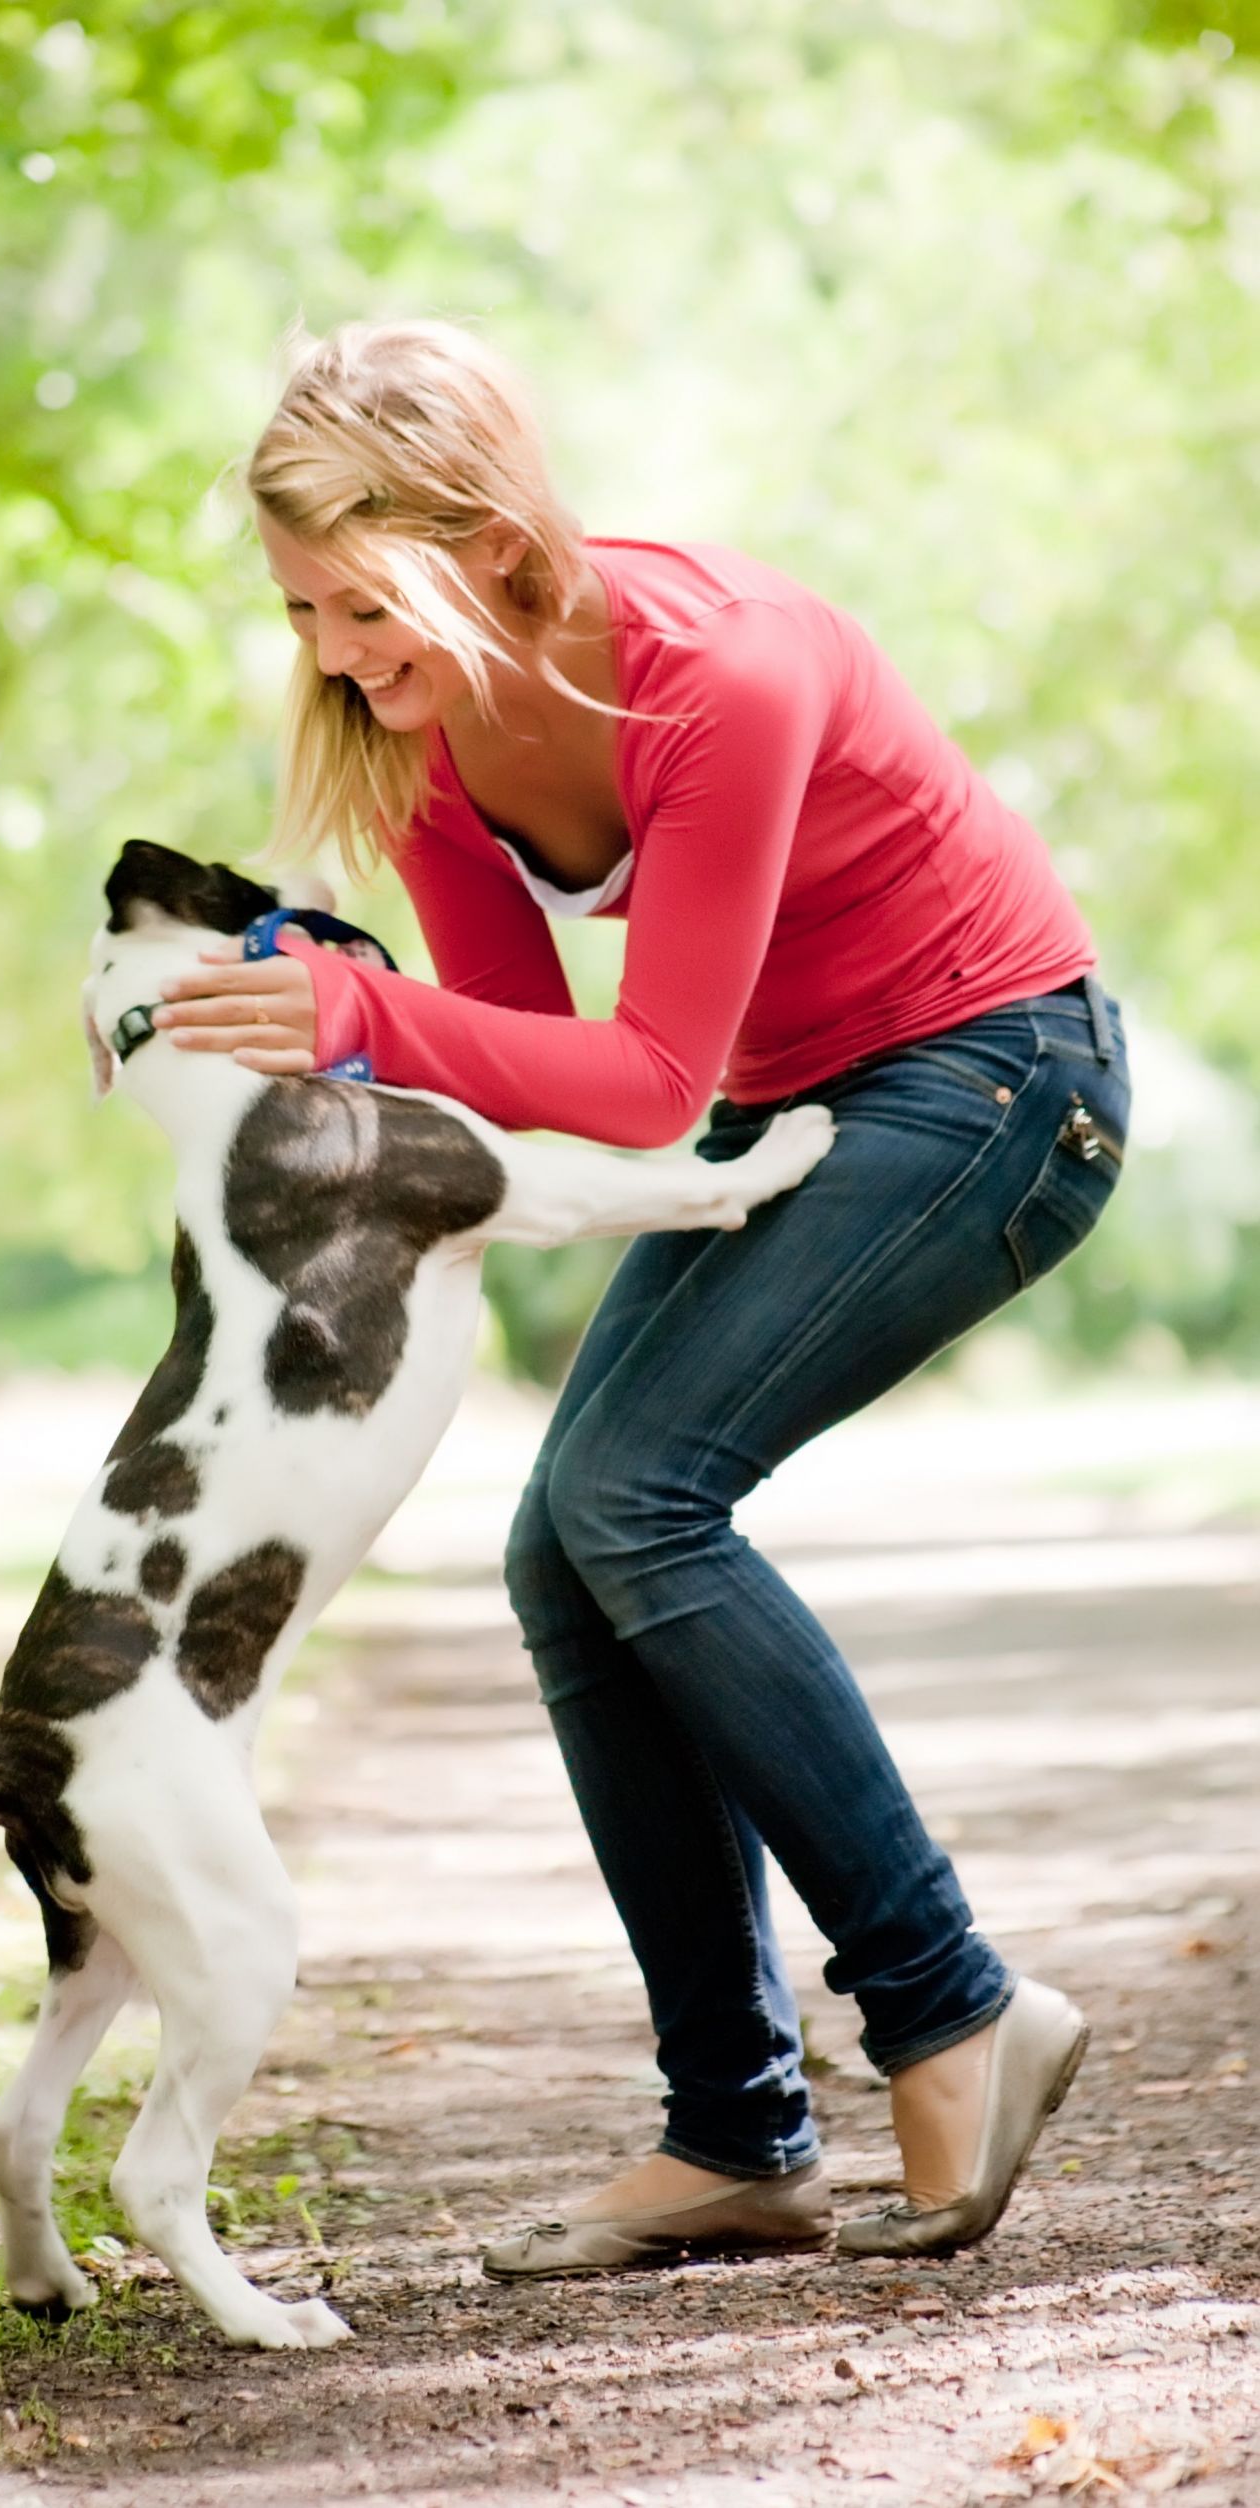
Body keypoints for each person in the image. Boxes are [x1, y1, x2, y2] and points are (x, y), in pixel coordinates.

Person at [150, 318, 1130, 2276]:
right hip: (794, 1108)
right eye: (301, 611)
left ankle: (945, 2003)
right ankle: (735, 2133)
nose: (335, 651)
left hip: (999, 1079)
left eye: (363, 599)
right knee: (560, 1551)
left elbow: (650, 1073)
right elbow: (534, 1068)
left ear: (488, 535)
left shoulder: (717, 673)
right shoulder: (423, 739)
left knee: (631, 1500)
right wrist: (354, 1082)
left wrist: (361, 1012)